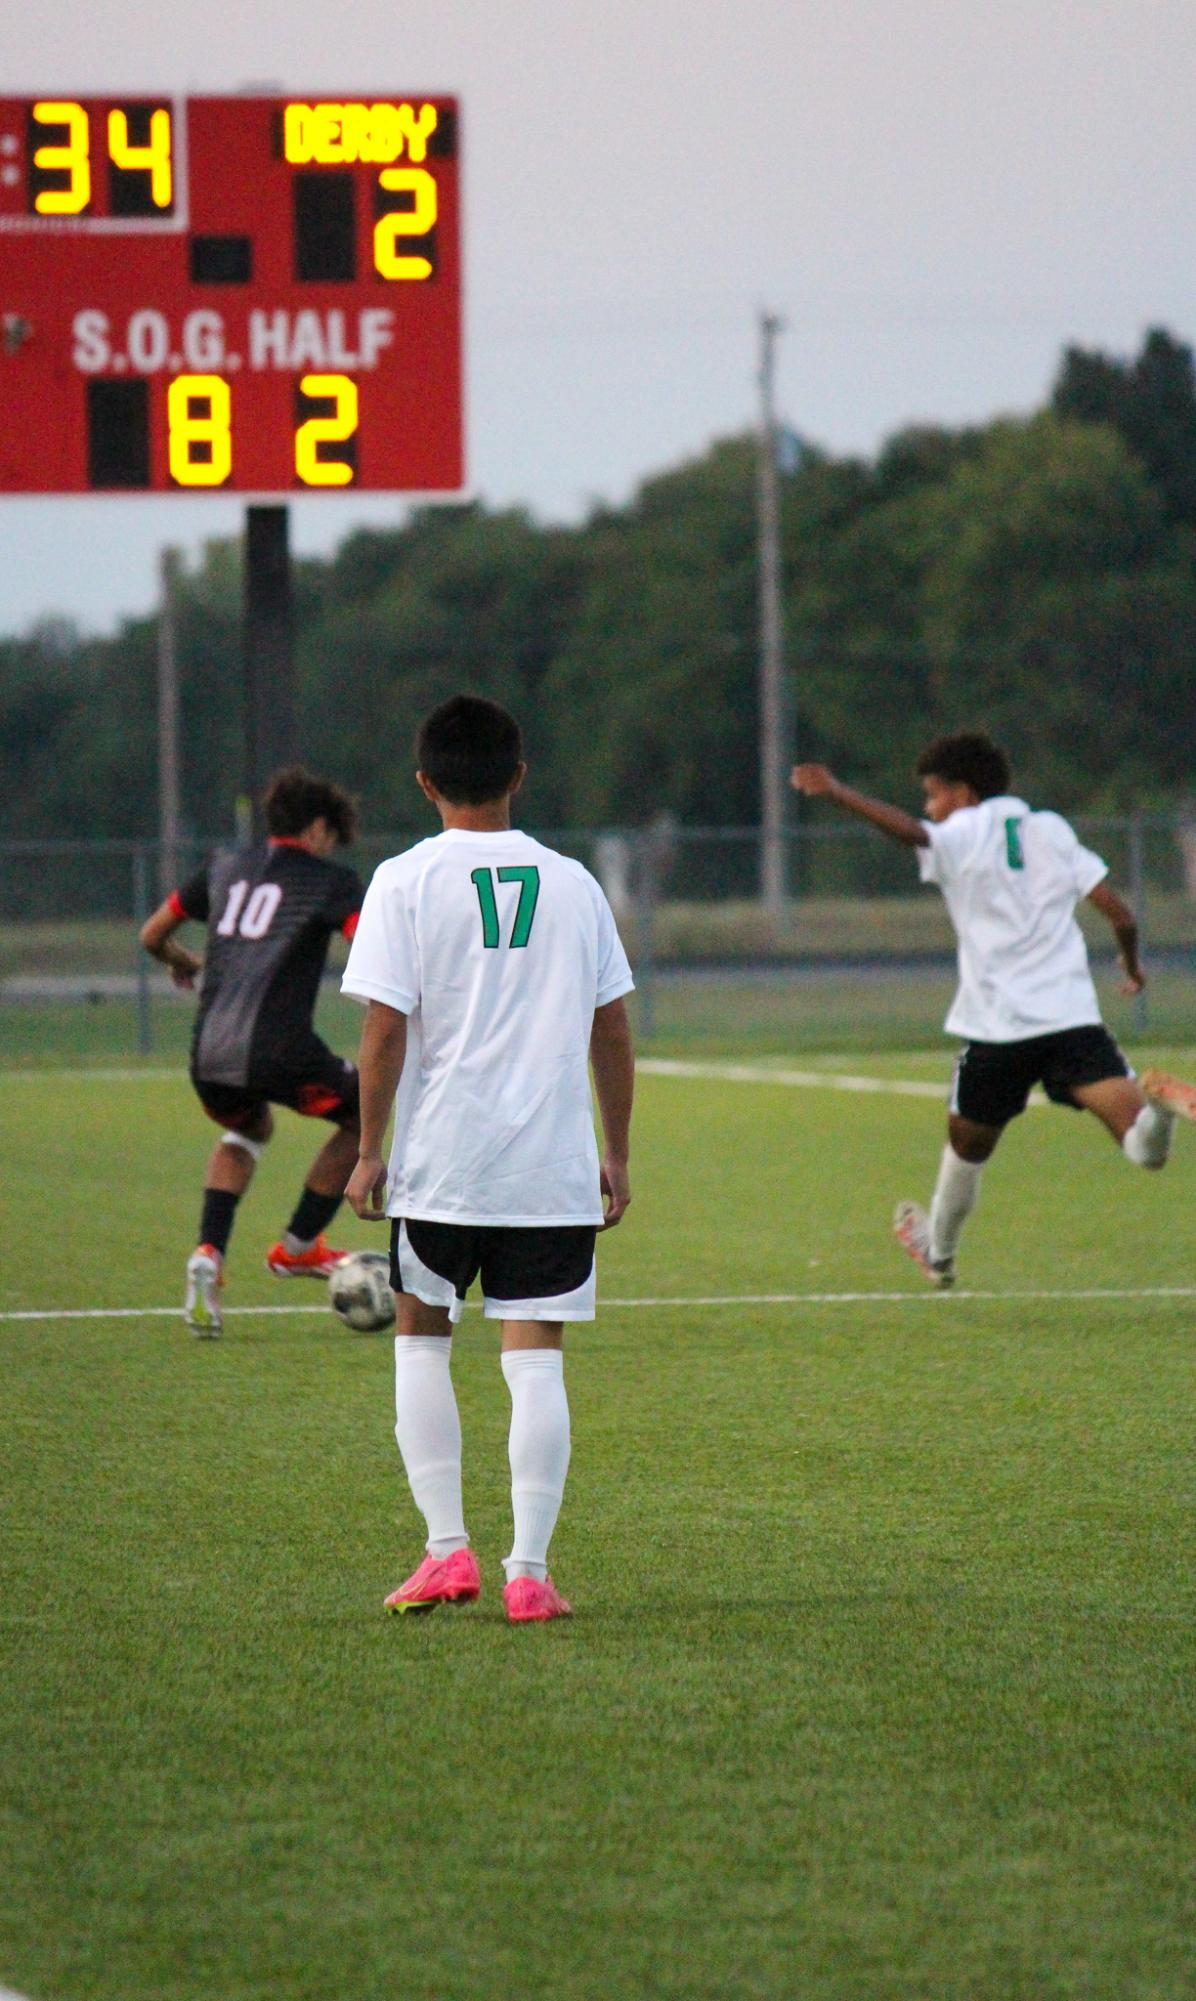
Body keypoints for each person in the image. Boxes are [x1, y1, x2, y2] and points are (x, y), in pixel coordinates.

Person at [341, 694, 636, 1624]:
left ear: (426, 782)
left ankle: (445, 1552)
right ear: (518, 775)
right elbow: (613, 1029)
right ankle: (530, 1571)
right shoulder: (577, 883)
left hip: (444, 1163)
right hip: (549, 1167)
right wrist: (616, 1152)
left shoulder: (403, 879)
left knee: (423, 1339)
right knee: (536, 1360)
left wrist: (368, 1151)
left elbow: (384, 1029)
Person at [791, 733, 1196, 1285]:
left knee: (967, 1147)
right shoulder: (1051, 828)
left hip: (998, 1027)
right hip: (1071, 1019)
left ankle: (939, 1256)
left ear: (962, 792)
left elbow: (914, 835)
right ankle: (1161, 1110)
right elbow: (1120, 914)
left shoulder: (961, 830)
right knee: (1142, 1147)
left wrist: (838, 793)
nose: (929, 808)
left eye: (933, 795)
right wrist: (1131, 965)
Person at [140, 766, 365, 1335]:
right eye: (331, 837)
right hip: (280, 1049)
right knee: (365, 1115)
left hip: (209, 1053)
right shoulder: (330, 881)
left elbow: (152, 934)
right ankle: (298, 1245)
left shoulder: (223, 866)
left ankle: (208, 1255)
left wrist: (182, 962)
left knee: (247, 1131)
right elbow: (369, 950)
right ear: (317, 829)